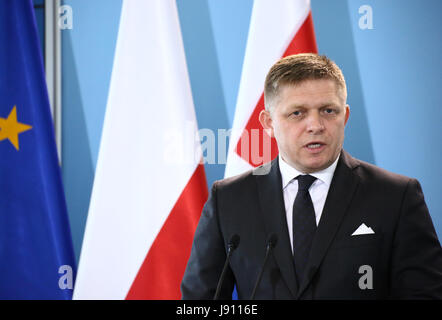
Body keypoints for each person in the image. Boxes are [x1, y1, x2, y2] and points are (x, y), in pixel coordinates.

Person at [181, 53, 442, 299]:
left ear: (345, 116)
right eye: (298, 113)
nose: (315, 125)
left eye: (328, 111)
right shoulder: (228, 199)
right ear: (268, 123)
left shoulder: (396, 197)